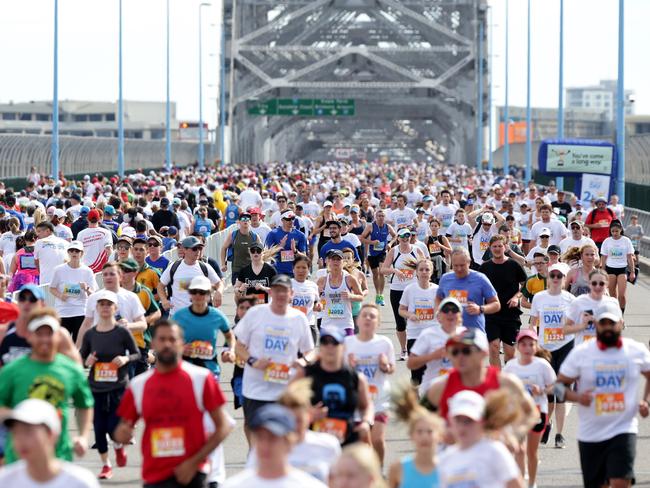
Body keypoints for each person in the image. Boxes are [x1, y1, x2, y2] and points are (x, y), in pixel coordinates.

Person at [114, 319, 233, 488]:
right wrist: (122, 433)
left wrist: (194, 462)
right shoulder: (139, 385)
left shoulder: (201, 378)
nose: (167, 344)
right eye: (162, 339)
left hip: (193, 473)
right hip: (154, 475)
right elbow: (122, 428)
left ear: (182, 343)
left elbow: (224, 426)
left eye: (172, 339)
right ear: (153, 344)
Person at [556, 301, 650, 488]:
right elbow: (558, 388)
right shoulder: (581, 353)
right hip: (591, 433)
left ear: (621, 323)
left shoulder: (635, 351)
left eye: (611, 323)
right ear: (596, 324)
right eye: (603, 323)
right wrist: (577, 397)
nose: (607, 328)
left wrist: (645, 401)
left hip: (623, 428)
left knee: (620, 481)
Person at [0, 308, 94, 463]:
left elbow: (84, 404)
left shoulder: (71, 370)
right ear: (29, 336)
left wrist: (83, 436)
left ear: (58, 336)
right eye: (39, 333)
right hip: (19, 459)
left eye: (49, 333)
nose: (45, 339)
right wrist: (23, 419)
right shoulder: (11, 371)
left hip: (59, 457)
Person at [234, 274, 316, 432]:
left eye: (284, 291)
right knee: (258, 435)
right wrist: (253, 361)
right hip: (256, 389)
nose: (281, 294)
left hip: (285, 390)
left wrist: (303, 361)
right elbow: (239, 346)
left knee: (284, 438)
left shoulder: (299, 318)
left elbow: (310, 351)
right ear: (270, 292)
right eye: (277, 290)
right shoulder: (256, 313)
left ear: (291, 294)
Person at [79, 290, 140, 479]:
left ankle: (119, 446)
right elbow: (81, 357)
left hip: (118, 388)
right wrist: (86, 361)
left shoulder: (122, 332)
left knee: (114, 428)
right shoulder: (90, 334)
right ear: (96, 308)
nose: (105, 308)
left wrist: (125, 358)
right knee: (98, 429)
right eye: (101, 304)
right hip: (96, 388)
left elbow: (137, 353)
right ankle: (106, 465)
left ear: (115, 308)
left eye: (108, 304)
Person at [244, 379, 340, 484]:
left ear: (309, 416)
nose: (294, 426)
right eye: (289, 420)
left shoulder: (328, 445)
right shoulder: (266, 449)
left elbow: (338, 481)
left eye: (299, 420)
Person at [297, 328, 373, 446]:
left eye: (334, 343)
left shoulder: (355, 377)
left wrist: (366, 423)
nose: (329, 347)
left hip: (346, 440)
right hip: (314, 442)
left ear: (343, 347)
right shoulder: (305, 374)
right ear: (320, 347)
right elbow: (287, 405)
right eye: (325, 342)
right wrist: (308, 415)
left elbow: (366, 406)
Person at [0, 399, 99, 488]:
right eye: (15, 432)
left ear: (51, 434)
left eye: (28, 432)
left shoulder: (81, 482)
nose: (20, 440)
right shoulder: (4, 480)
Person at [223, 404, 327, 488]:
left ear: (290, 442)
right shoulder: (232, 485)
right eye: (260, 437)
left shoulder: (310, 485)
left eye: (272, 438)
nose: (265, 445)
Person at [438, 390, 526, 488]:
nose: (462, 427)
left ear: (482, 422)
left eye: (469, 421)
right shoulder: (445, 458)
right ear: (450, 421)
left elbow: (515, 485)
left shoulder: (494, 451)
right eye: (458, 420)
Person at [529, 262, 575, 448]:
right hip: (545, 348)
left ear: (564, 279)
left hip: (565, 346)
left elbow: (577, 324)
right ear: (548, 278)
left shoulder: (571, 299)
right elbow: (533, 322)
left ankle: (560, 434)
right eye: (552, 276)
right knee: (548, 393)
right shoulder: (539, 298)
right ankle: (546, 424)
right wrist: (532, 336)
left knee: (560, 392)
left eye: (559, 276)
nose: (555, 279)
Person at [503, 330, 557, 488]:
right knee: (518, 448)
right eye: (523, 344)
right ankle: (520, 481)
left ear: (536, 347)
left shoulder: (542, 365)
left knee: (531, 452)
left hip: (537, 411)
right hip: (517, 412)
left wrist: (541, 391)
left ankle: (532, 483)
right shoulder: (511, 366)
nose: (527, 348)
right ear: (518, 346)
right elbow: (502, 387)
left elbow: (556, 387)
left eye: (531, 344)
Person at [344, 304, 395, 464]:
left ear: (378, 323)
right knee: (362, 442)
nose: (368, 318)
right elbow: (338, 372)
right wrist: (349, 367)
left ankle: (378, 472)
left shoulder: (385, 343)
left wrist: (384, 365)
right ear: (357, 320)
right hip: (357, 401)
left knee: (377, 440)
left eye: (372, 316)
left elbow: (391, 368)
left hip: (380, 399)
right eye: (364, 315)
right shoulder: (347, 343)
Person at [479, 235, 527, 368]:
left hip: (510, 314)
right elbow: (478, 288)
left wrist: (516, 297)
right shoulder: (485, 267)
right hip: (492, 314)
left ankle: (509, 378)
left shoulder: (513, 265)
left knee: (510, 353)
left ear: (505, 247)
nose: (497, 249)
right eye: (494, 246)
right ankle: (496, 381)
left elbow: (525, 285)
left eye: (500, 246)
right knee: (493, 348)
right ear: (490, 248)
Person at [172, 276, 234, 379]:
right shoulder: (179, 316)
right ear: (190, 294)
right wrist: (179, 348)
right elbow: (166, 339)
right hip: (184, 370)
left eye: (202, 292)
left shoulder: (217, 316)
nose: (197, 295)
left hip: (210, 370)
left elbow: (229, 335)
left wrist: (229, 350)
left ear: (208, 294)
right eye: (194, 291)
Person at [76, 262, 147, 348]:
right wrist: (77, 349)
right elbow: (86, 324)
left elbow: (143, 324)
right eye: (105, 274)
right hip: (99, 347)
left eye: (112, 274)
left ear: (120, 277)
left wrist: (128, 325)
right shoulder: (94, 298)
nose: (108, 277)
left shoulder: (131, 297)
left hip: (123, 348)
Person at [388, 380, 443, 488]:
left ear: (440, 436)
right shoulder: (398, 469)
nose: (424, 436)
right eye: (419, 432)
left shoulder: (449, 467)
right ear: (411, 435)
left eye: (430, 431)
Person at [381, 227, 426, 359]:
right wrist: (395, 271)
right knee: (400, 322)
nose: (406, 238)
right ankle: (404, 349)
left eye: (408, 235)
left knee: (417, 318)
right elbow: (383, 269)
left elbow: (425, 267)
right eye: (403, 236)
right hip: (397, 289)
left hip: (414, 289)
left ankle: (419, 347)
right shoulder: (394, 251)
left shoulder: (417, 250)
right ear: (398, 238)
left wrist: (418, 271)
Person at [408, 296, 465, 397]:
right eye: (446, 310)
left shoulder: (468, 336)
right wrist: (432, 356)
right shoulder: (428, 334)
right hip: (432, 391)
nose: (450, 313)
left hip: (458, 392)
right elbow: (411, 363)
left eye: (454, 310)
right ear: (438, 317)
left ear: (460, 316)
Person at [435, 248, 500, 333]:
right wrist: (439, 312)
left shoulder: (480, 278)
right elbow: (438, 298)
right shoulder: (445, 279)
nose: (459, 269)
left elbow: (496, 304)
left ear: (469, 262)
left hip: (474, 332)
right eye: (455, 265)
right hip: (451, 332)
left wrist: (480, 309)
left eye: (462, 265)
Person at [158, 236, 223, 315]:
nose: (198, 251)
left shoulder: (205, 267)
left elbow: (219, 283)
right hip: (178, 316)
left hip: (200, 315)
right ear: (184, 250)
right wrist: (164, 300)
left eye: (199, 248)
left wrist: (219, 292)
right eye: (194, 249)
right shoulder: (174, 266)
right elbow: (160, 286)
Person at [398, 259, 438, 384]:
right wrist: (410, 315)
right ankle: (415, 401)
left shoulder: (437, 290)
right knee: (416, 374)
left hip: (433, 334)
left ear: (431, 272)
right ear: (416, 272)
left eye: (427, 270)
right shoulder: (410, 289)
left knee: (432, 373)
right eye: (421, 269)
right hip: (415, 335)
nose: (424, 272)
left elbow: (443, 311)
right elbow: (401, 310)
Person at [49, 241, 97, 342]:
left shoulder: (87, 271)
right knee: (61, 344)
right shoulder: (59, 270)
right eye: (71, 250)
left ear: (82, 253)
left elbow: (93, 294)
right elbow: (52, 288)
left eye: (77, 251)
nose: (74, 253)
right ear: (68, 252)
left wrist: (86, 288)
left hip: (80, 311)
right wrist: (61, 295)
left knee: (79, 343)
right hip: (63, 312)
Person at [317, 250, 364, 337]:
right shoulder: (322, 280)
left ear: (343, 262)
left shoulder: (350, 279)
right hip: (328, 323)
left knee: (348, 350)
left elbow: (361, 297)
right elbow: (316, 299)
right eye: (333, 259)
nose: (335, 262)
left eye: (338, 259)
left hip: (345, 323)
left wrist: (351, 296)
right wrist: (319, 301)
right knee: (328, 350)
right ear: (328, 261)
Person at [360, 209, 395, 306]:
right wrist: (372, 242)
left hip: (382, 253)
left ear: (385, 217)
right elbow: (361, 238)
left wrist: (390, 243)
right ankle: (377, 294)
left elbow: (395, 236)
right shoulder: (371, 226)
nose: (380, 217)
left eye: (382, 216)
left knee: (381, 272)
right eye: (379, 216)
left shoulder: (388, 227)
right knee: (375, 275)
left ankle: (381, 296)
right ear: (376, 217)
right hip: (372, 254)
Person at [601, 220, 635, 313]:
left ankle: (621, 314)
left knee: (622, 295)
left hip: (622, 269)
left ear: (620, 230)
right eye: (613, 231)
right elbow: (604, 257)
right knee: (612, 295)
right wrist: (602, 271)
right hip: (610, 268)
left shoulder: (626, 240)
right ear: (610, 231)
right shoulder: (607, 241)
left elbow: (630, 257)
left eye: (616, 231)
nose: (615, 233)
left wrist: (632, 272)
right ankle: (615, 314)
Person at [220, 213, 261, 285]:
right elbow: (223, 248)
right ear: (239, 222)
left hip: (251, 270)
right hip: (237, 270)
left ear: (250, 222)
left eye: (248, 219)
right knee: (237, 292)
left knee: (249, 294)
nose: (245, 221)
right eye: (243, 219)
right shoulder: (233, 235)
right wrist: (223, 264)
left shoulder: (255, 236)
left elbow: (261, 252)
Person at [265, 211, 308, 277]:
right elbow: (266, 255)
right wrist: (280, 246)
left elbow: (304, 257)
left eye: (293, 218)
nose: (291, 221)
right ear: (282, 220)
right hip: (277, 272)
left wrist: (295, 251)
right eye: (288, 219)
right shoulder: (273, 234)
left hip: (294, 272)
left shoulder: (300, 235)